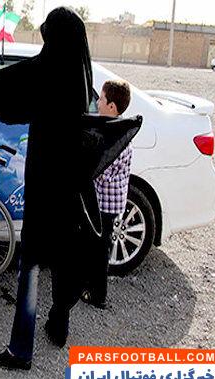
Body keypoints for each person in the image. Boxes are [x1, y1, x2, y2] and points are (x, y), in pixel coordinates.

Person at [0, 7, 96, 370]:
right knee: (63, 256)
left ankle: (21, 350)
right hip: (71, 187)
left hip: (45, 183)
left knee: (31, 262)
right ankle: (58, 326)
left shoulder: (45, 70)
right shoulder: (81, 78)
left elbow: (7, 90)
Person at [82, 79, 133, 309]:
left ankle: (98, 295)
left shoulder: (119, 138)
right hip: (103, 202)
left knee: (101, 251)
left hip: (107, 205)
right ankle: (89, 286)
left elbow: (101, 173)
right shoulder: (112, 129)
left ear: (112, 106)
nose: (98, 103)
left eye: (101, 99)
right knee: (94, 247)